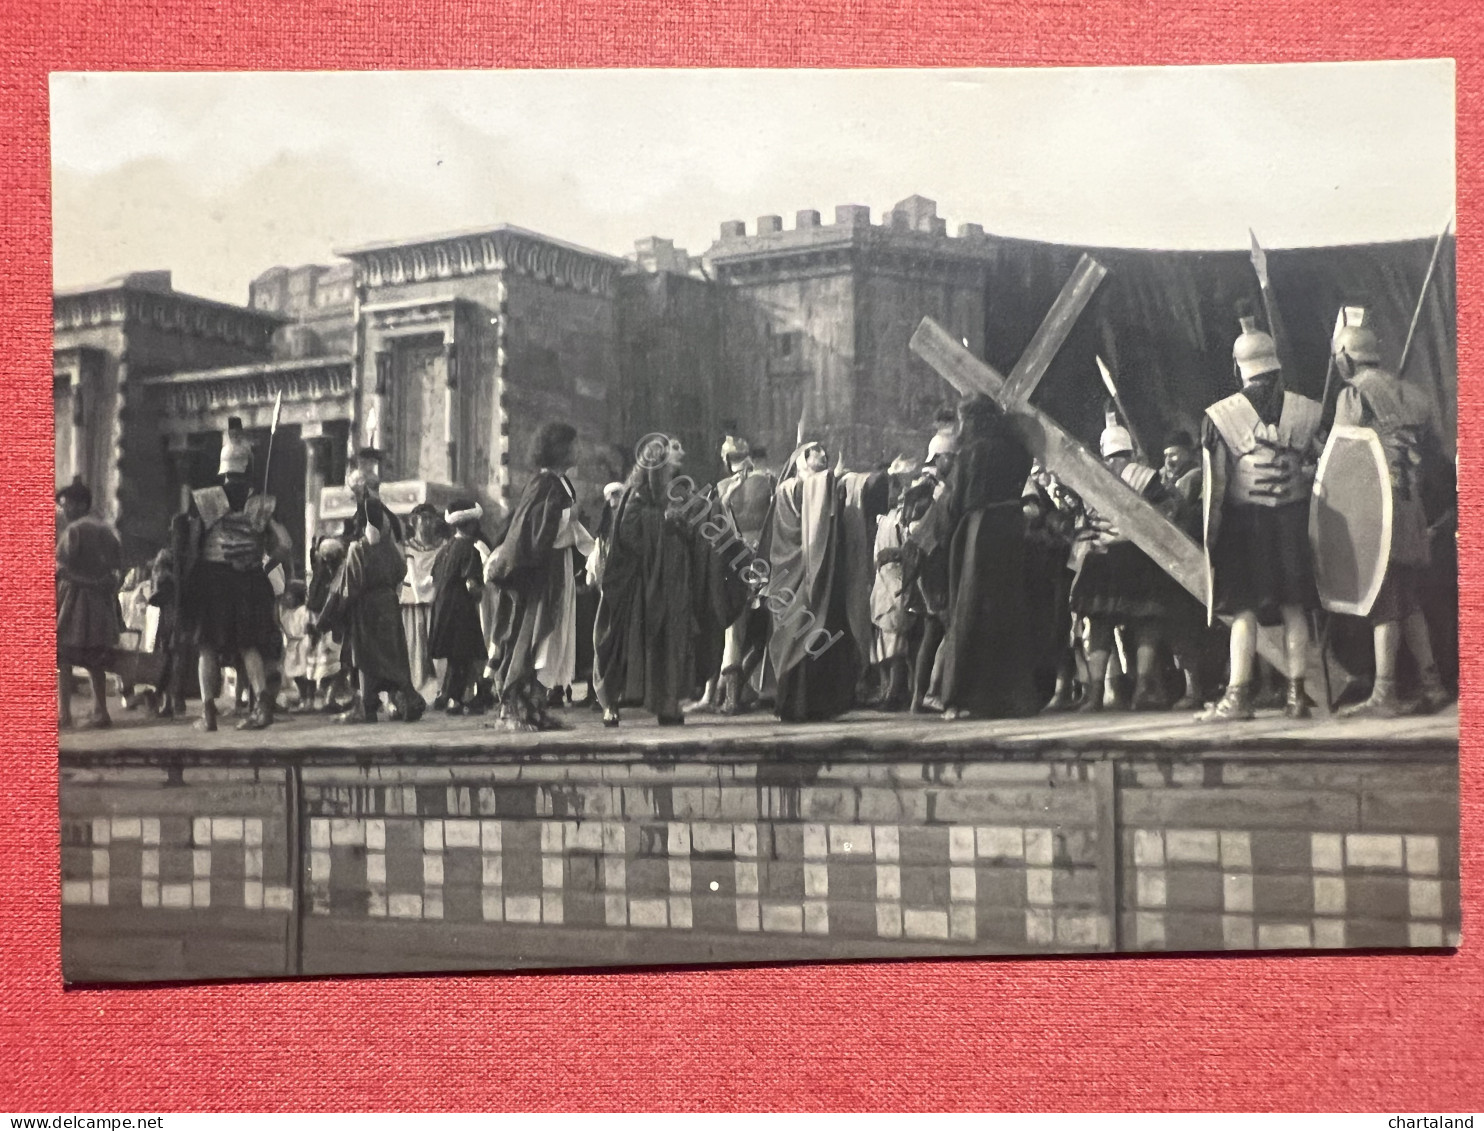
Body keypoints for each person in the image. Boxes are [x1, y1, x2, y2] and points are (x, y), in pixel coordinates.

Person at [1198, 310, 1323, 722]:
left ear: (1239, 367)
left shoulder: (1220, 415)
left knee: (1244, 611)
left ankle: (1238, 697)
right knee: (1294, 607)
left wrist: (1211, 539)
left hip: (1245, 526)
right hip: (1291, 524)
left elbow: (1216, 486)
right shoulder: (1309, 411)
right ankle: (1296, 696)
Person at [1329, 306, 1453, 717]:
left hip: (1377, 508)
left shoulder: (1354, 395)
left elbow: (1345, 458)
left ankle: (1384, 693)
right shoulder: (1414, 395)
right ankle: (1432, 684)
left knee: (1383, 598)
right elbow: (1435, 457)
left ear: (1346, 357)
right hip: (1412, 508)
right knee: (1408, 599)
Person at [907, 395, 1040, 720]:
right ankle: (1011, 699)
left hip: (978, 537)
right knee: (1007, 612)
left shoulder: (972, 453)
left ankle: (961, 698)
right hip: (1010, 533)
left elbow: (956, 503)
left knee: (971, 611)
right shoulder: (1019, 451)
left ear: (974, 421)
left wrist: (927, 538)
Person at [175, 420, 293, 731]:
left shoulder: (205, 499)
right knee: (249, 645)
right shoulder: (260, 503)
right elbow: (286, 545)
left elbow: (191, 544)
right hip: (248, 581)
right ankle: (262, 708)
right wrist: (260, 554)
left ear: (223, 467)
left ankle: (208, 714)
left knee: (207, 647)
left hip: (212, 580)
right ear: (247, 467)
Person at [755, 439, 881, 722]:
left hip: (822, 576)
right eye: (816, 452)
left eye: (824, 452)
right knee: (800, 635)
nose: (823, 455)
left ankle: (823, 705)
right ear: (801, 460)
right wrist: (838, 477)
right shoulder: (791, 489)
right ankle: (795, 705)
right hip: (794, 577)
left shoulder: (822, 487)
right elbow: (813, 498)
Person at [593, 435, 699, 726]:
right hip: (638, 581)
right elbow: (628, 532)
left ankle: (668, 702)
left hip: (671, 580)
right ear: (658, 455)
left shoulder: (676, 491)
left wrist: (685, 525)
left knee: (670, 640)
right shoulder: (636, 493)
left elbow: (690, 529)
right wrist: (664, 521)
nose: (683, 451)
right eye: (676, 447)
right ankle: (610, 703)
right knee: (624, 642)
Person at [488, 422, 584, 731]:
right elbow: (535, 531)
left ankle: (536, 708)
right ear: (560, 449)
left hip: (559, 568)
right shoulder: (545, 484)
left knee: (552, 642)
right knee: (534, 640)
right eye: (573, 444)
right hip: (544, 573)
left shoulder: (559, 483)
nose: (578, 450)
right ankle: (515, 709)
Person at [316, 467, 425, 724]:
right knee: (393, 657)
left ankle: (368, 707)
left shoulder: (359, 548)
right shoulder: (392, 535)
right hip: (388, 601)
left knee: (365, 657)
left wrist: (337, 609)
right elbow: (400, 568)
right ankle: (398, 700)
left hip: (366, 606)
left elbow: (350, 585)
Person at [710, 435, 777, 715]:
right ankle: (742, 689)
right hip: (765, 558)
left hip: (737, 560)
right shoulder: (769, 481)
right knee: (768, 627)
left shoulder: (721, 487)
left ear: (726, 461)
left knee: (734, 631)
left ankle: (730, 697)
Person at [56, 477, 123, 730]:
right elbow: (117, 568)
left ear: (80, 504)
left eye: (67, 506)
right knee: (95, 658)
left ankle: (65, 714)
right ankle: (100, 711)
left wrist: (74, 578)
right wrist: (104, 585)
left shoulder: (74, 531)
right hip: (100, 603)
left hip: (75, 602)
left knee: (64, 657)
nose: (65, 511)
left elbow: (61, 568)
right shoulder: (106, 530)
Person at [867, 456, 921, 711]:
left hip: (899, 580)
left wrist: (896, 554)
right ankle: (886, 688)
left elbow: (912, 547)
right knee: (883, 640)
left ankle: (896, 691)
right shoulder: (884, 518)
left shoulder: (904, 517)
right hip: (882, 581)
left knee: (897, 641)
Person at [428, 499, 488, 714]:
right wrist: (481, 594)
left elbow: (434, 577)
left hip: (442, 606)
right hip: (461, 608)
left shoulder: (445, 549)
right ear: (471, 524)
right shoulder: (469, 550)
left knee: (455, 656)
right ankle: (457, 698)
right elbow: (471, 584)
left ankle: (449, 695)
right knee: (463, 655)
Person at [400, 502, 444, 698]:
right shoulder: (407, 547)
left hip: (436, 602)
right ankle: (416, 691)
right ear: (414, 522)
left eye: (430, 519)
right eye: (423, 519)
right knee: (415, 647)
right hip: (412, 603)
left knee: (437, 645)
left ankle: (440, 690)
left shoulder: (442, 545)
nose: (427, 524)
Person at [277, 580, 312, 710]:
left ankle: (308, 698)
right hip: (292, 645)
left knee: (306, 672)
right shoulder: (286, 612)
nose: (287, 599)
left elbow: (307, 625)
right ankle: (302, 696)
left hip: (303, 643)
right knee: (295, 673)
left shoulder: (303, 611)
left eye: (290, 596)